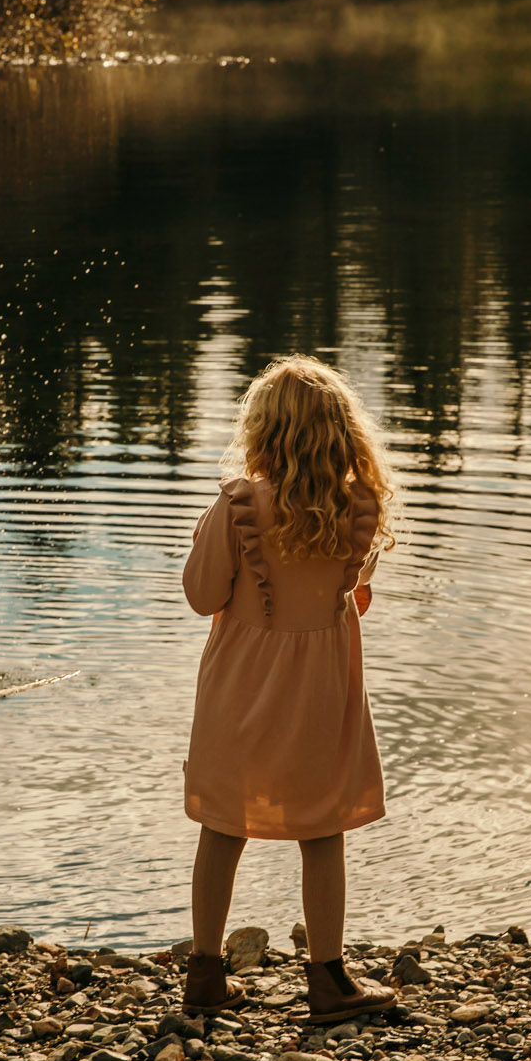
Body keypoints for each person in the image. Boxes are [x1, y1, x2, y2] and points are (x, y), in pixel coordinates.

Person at [180, 355, 400, 1024]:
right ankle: (328, 978)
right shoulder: (360, 507)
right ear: (341, 433)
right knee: (322, 827)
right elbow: (353, 601)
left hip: (240, 687)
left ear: (262, 433)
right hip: (321, 690)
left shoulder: (238, 505)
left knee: (223, 824)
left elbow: (200, 595)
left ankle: (206, 971)